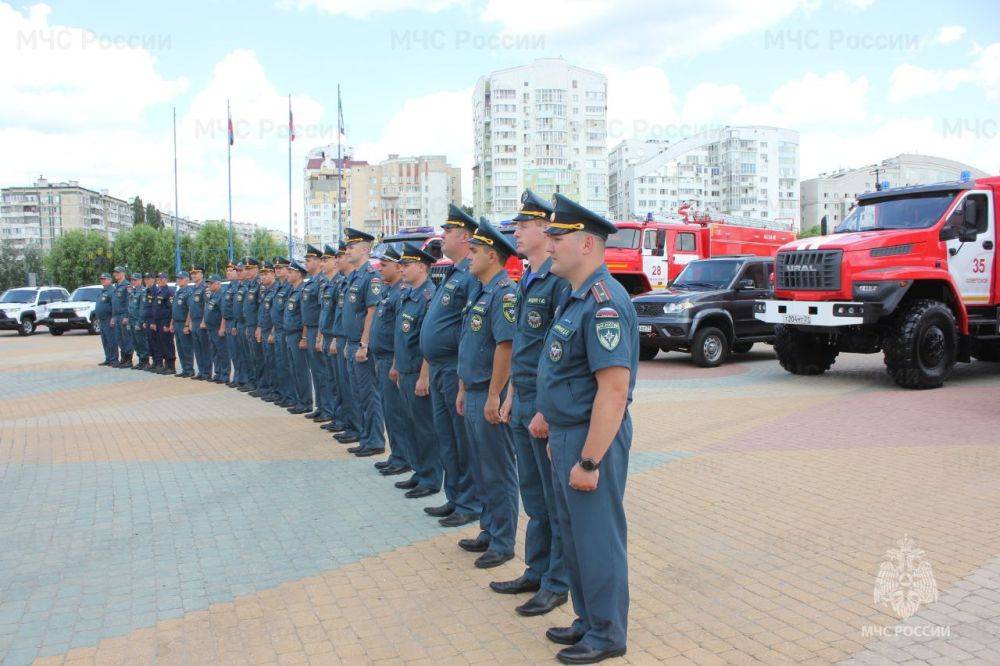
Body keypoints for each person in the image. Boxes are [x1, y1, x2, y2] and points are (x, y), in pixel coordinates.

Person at [533, 193, 638, 664]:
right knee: (574, 536)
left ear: (589, 245)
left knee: (597, 537)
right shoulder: (574, 299)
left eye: (559, 237)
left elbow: (613, 391)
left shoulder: (605, 303)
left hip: (591, 438)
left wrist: (590, 459)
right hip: (568, 433)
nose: (550, 245)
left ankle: (608, 632)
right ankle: (588, 619)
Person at [491, 190, 570, 617]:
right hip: (522, 400)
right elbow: (524, 344)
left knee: (555, 501)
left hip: (544, 406)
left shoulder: (558, 280)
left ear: (545, 229)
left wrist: (541, 406)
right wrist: (512, 396)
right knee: (534, 496)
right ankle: (536, 571)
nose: (516, 232)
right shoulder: (529, 277)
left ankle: (558, 582)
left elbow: (556, 354)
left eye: (523, 225)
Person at [456, 218, 519, 569]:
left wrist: (495, 395)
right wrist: (464, 388)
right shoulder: (480, 292)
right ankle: (488, 527)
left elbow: (505, 347)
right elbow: (470, 344)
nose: (469, 257)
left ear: (492, 256)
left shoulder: (504, 294)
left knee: (498, 469)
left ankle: (503, 540)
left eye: (475, 251)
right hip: (474, 389)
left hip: (489, 393)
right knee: (481, 467)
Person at [418, 204, 482, 527]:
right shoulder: (452, 271)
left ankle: (469, 503)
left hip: (454, 368)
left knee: (460, 438)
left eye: (447, 232)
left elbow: (468, 324)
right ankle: (455, 496)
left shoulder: (470, 274)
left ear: (464, 236)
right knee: (446, 436)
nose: (442, 237)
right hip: (441, 367)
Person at [390, 243, 443, 499]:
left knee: (424, 427)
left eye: (406, 264)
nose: (402, 269)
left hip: (418, 371)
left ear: (422, 267)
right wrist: (395, 366)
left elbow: (427, 341)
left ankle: (431, 478)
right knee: (410, 424)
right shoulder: (407, 295)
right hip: (405, 369)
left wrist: (424, 376)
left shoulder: (429, 296)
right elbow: (400, 336)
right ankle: (419, 470)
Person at [341, 228, 385, 457]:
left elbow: (372, 311)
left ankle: (376, 440)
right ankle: (366, 437)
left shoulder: (371, 276)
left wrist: (364, 344)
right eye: (347, 246)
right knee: (359, 394)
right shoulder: (355, 276)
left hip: (360, 345)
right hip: (351, 342)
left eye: (352, 246)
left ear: (366, 249)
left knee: (369, 394)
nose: (347, 249)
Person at [369, 246, 412, 475]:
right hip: (381, 358)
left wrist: (396, 362)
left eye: (384, 265)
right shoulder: (388, 291)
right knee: (388, 409)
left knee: (396, 412)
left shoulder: (401, 293)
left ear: (398, 266)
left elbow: (399, 333)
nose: (380, 269)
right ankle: (396, 454)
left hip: (390, 359)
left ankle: (403, 457)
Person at [331, 244, 361, 444]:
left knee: (359, 392)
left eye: (338, 257)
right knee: (344, 386)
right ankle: (350, 424)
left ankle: (362, 432)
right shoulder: (346, 283)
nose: (336, 261)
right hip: (343, 338)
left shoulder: (364, 278)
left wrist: (364, 343)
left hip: (355, 341)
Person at [318, 245, 345, 428]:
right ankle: (336, 416)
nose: (324, 263)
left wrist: (334, 337)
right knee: (330, 380)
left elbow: (338, 313)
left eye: (326, 260)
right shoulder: (327, 284)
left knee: (340, 382)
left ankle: (342, 419)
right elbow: (324, 312)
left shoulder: (339, 283)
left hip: (336, 336)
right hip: (327, 335)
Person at [300, 245, 328, 421]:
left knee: (321, 372)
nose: (306, 263)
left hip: (317, 330)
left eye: (309, 260)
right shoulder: (311, 282)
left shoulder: (321, 282)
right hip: (309, 329)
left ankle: (327, 409)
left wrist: (319, 335)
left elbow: (321, 311)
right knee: (315, 372)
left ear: (318, 261)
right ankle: (320, 406)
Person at [283, 259, 312, 414]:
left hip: (298, 334)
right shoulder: (292, 291)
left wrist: (304, 337)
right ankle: (298, 399)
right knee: (293, 368)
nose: (288, 274)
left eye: (291, 272)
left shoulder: (302, 291)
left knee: (301, 370)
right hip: (289, 334)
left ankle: (306, 402)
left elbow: (305, 317)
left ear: (299, 274)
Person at [269, 257, 293, 406]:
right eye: (276, 268)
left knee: (287, 365)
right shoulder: (277, 287)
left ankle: (290, 396)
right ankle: (283, 394)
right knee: (280, 364)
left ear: (287, 270)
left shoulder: (290, 287)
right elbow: (275, 312)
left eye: (281, 268)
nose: (277, 270)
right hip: (277, 330)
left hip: (286, 331)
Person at [238, 258, 262, 392]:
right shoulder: (249, 284)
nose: (246, 272)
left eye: (249, 269)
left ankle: (260, 384)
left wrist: (258, 326)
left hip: (256, 325)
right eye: (245, 269)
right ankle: (253, 382)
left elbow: (260, 308)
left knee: (258, 357)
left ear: (256, 269)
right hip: (249, 324)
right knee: (251, 356)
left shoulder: (259, 284)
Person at [255, 261, 278, 399]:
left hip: (271, 330)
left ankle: (275, 391)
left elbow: (276, 314)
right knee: (267, 361)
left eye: (266, 274)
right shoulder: (266, 291)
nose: (262, 277)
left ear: (272, 274)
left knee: (274, 363)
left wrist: (272, 332)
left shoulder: (276, 290)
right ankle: (270, 389)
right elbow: (262, 311)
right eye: (261, 274)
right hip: (264, 329)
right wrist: (259, 327)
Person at [203, 275, 228, 383]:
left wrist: (222, 328)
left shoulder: (221, 295)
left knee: (222, 352)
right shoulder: (212, 295)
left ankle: (225, 374)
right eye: (208, 283)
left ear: (218, 284)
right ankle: (218, 373)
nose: (209, 285)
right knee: (214, 352)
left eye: (211, 283)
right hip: (211, 328)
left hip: (218, 328)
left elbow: (224, 314)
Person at [188, 265, 212, 380]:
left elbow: (206, 306)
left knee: (204, 348)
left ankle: (207, 372)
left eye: (196, 273)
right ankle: (201, 371)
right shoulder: (193, 288)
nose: (194, 275)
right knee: (197, 348)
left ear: (202, 274)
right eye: (192, 273)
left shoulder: (205, 287)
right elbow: (191, 307)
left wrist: (204, 321)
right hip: (194, 321)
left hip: (202, 321)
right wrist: (191, 322)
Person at [171, 271, 195, 378]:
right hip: (176, 323)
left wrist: (187, 325)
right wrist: (171, 324)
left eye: (181, 278)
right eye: (177, 278)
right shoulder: (178, 292)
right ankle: (184, 368)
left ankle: (189, 369)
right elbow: (174, 310)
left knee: (186, 347)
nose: (178, 280)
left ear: (187, 280)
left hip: (183, 323)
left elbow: (190, 310)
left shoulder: (188, 292)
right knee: (180, 348)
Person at [153, 272, 176, 375]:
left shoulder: (169, 291)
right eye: (158, 279)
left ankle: (171, 366)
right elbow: (156, 308)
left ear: (166, 279)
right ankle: (166, 365)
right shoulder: (158, 291)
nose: (159, 281)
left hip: (165, 322)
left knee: (168, 344)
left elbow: (171, 309)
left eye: (161, 279)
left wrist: (168, 324)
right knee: (161, 344)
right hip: (158, 322)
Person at [220, 262, 239, 385]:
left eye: (231, 270)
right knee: (233, 352)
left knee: (238, 353)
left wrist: (235, 324)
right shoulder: (228, 287)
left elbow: (238, 309)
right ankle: (237, 377)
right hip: (228, 322)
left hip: (234, 322)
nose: (228, 272)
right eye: (227, 270)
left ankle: (240, 378)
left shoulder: (238, 287)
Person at [110, 266, 132, 367]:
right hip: (117, 316)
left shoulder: (127, 285)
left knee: (126, 338)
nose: (116, 274)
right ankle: (123, 359)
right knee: (119, 338)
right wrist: (113, 317)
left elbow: (129, 302)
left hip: (123, 315)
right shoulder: (116, 286)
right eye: (115, 273)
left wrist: (127, 316)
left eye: (118, 273)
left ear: (123, 273)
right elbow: (114, 304)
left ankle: (128, 360)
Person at [128, 272, 150, 370]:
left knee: (141, 341)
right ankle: (141, 360)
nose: (133, 282)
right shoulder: (133, 292)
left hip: (138, 321)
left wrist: (139, 322)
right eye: (132, 280)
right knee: (135, 342)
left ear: (140, 280)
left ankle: (145, 362)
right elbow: (130, 307)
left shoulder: (143, 291)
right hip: (132, 320)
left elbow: (142, 309)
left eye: (135, 280)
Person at [95, 273, 115, 366]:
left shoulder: (112, 291)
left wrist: (113, 318)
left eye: (104, 279)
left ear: (110, 280)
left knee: (111, 340)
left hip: (108, 319)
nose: (102, 280)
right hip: (102, 320)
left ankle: (113, 359)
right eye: (101, 279)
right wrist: (98, 317)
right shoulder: (102, 291)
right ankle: (108, 358)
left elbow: (114, 306)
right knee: (105, 341)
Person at [141, 272, 159, 372]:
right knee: (150, 342)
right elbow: (146, 307)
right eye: (145, 279)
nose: (146, 281)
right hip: (147, 320)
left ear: (153, 280)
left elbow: (155, 308)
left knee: (155, 342)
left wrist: (153, 322)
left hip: (153, 320)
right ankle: (154, 362)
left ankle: (158, 362)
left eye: (149, 279)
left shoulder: (155, 290)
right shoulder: (147, 290)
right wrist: (144, 321)